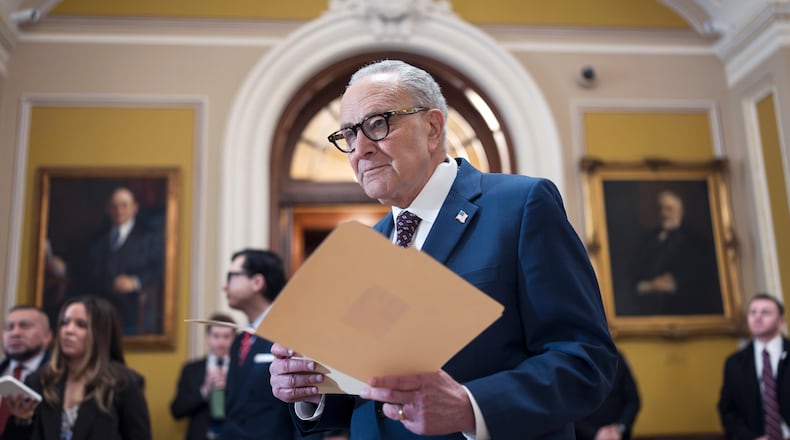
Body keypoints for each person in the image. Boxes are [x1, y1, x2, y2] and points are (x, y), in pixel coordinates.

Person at [268, 60, 617, 439]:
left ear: (433, 128)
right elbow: (368, 391)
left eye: (377, 124)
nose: (360, 149)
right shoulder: (363, 247)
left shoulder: (520, 205)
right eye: (349, 135)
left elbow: (585, 360)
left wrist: (471, 407)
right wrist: (311, 388)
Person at [3, 296, 152, 439]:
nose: (68, 330)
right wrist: (22, 420)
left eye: (81, 325)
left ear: (100, 333)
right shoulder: (39, 380)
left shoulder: (123, 383)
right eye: (65, 322)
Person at [219, 249, 298, 439]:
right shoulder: (240, 340)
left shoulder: (290, 332)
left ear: (257, 282)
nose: (224, 285)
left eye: (231, 276)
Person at [622, 190, 721, 316]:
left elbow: (700, 280)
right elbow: (633, 273)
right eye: (661, 209)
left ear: (681, 211)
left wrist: (673, 282)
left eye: (669, 209)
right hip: (646, 309)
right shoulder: (646, 240)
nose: (664, 214)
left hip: (684, 309)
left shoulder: (697, 242)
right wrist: (648, 285)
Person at [82, 186, 164, 335]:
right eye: (114, 206)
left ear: (135, 208)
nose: (119, 211)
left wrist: (135, 282)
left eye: (124, 205)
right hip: (102, 309)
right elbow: (89, 272)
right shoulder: (98, 239)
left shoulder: (149, 237)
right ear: (108, 209)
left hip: (134, 310)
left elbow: (159, 269)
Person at [718, 293, 790, 440]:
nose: (757, 317)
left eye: (765, 312)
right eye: (753, 312)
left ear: (781, 320)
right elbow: (728, 411)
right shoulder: (735, 363)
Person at [170, 312, 237, 440]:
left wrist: (230, 387)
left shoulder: (240, 368)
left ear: (234, 338)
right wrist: (204, 391)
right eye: (216, 336)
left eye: (226, 336)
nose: (221, 342)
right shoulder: (191, 369)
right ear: (207, 336)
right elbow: (176, 410)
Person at [0, 306, 53, 435]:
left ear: (47, 336)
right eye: (9, 327)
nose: (15, 333)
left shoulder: (58, 376)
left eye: (25, 326)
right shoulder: (3, 370)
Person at [575, 350, 641, 440]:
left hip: (618, 435)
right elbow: (566, 407)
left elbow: (633, 401)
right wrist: (594, 433)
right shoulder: (571, 360)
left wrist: (619, 428)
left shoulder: (617, 358)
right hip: (584, 435)